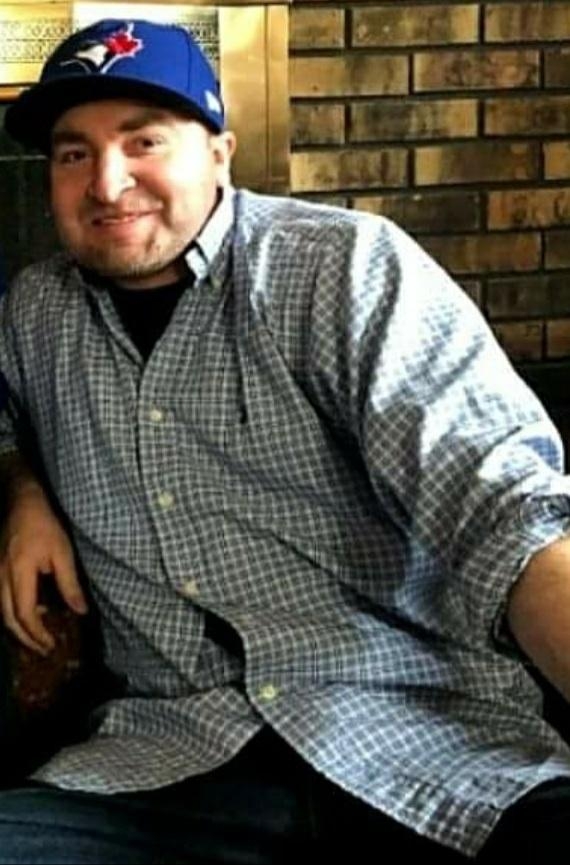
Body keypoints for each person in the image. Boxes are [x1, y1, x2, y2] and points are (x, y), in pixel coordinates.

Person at [1, 17, 570, 864]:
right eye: (73, 152)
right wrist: (23, 491)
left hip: (424, 745)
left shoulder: (343, 268)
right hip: (166, 762)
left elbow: (505, 512)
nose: (107, 182)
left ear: (220, 153)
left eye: (144, 141)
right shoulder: (35, 313)